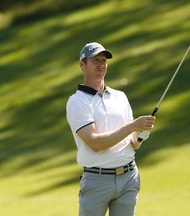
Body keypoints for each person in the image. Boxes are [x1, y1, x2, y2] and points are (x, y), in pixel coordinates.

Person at [66, 42, 155, 216]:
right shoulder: (77, 101)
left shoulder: (120, 97)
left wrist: (140, 135)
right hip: (96, 181)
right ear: (82, 65)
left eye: (104, 60)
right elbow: (95, 143)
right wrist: (133, 126)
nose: (101, 64)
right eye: (95, 60)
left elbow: (132, 143)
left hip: (129, 177)